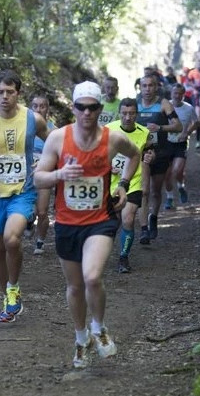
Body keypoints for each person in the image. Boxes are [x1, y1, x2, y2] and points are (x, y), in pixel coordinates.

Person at [35, 81, 140, 369]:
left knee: (92, 277)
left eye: (93, 107)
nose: (87, 113)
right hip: (68, 223)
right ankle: (81, 338)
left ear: (99, 108)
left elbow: (135, 155)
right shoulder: (57, 138)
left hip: (100, 221)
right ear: (74, 108)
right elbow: (38, 179)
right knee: (75, 286)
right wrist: (60, 174)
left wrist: (124, 184)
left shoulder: (112, 138)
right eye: (81, 107)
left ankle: (99, 327)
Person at [0, 70, 50, 323]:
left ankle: (14, 287)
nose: (5, 97)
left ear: (18, 93)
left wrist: (43, 165)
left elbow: (52, 142)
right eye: (1, 92)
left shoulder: (32, 119)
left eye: (11, 92)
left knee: (12, 239)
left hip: (22, 192)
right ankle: (8, 296)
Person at [106, 98, 154, 273]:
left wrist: (150, 156)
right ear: (120, 113)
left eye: (132, 113)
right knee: (111, 223)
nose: (128, 117)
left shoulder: (144, 132)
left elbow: (149, 150)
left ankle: (123, 257)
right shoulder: (108, 129)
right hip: (109, 182)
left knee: (128, 218)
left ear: (136, 114)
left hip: (133, 182)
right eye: (125, 113)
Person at [136, 74, 182, 243]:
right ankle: (143, 229)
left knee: (156, 191)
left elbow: (178, 126)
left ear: (156, 87)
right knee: (144, 190)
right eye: (144, 86)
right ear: (140, 88)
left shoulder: (163, 104)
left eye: (151, 86)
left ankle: (153, 217)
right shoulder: (135, 104)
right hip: (143, 153)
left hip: (161, 153)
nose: (147, 89)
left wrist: (160, 127)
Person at [164, 84, 200, 209]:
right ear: (171, 94)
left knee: (177, 170)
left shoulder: (189, 108)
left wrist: (187, 132)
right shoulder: (165, 106)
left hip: (181, 143)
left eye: (180, 93)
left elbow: (196, 122)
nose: (177, 96)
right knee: (167, 174)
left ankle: (180, 187)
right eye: (175, 93)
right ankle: (170, 197)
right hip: (166, 143)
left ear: (183, 95)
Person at [30, 92, 57, 255]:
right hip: (25, 171)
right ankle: (27, 223)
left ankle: (40, 241)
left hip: (45, 172)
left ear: (48, 109)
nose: (39, 109)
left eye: (42, 106)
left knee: (42, 210)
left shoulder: (54, 131)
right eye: (35, 106)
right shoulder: (23, 126)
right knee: (28, 209)